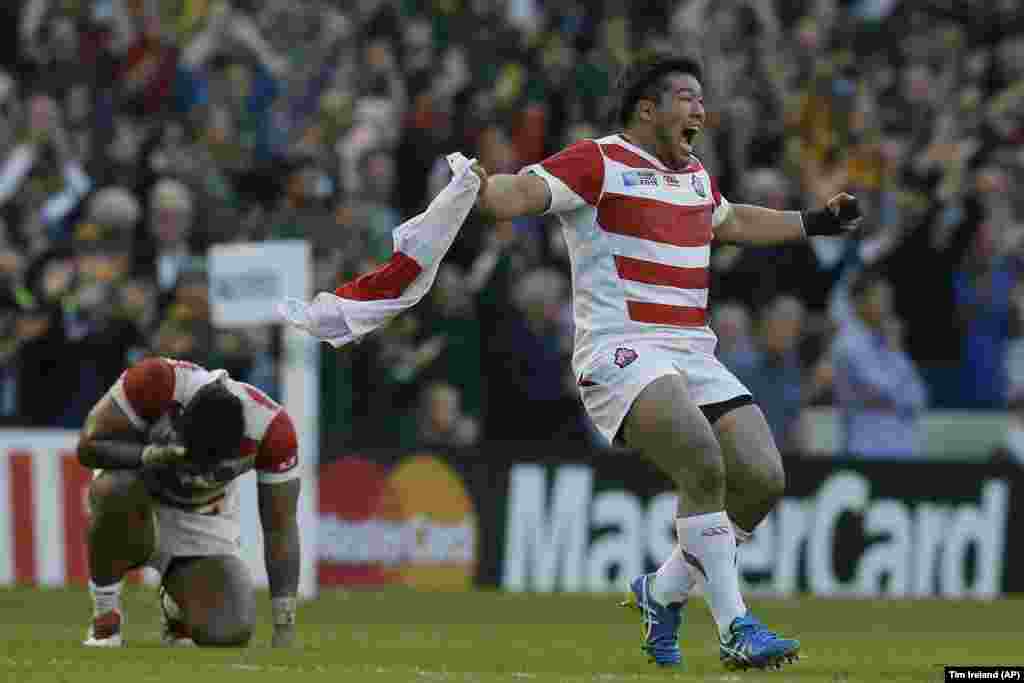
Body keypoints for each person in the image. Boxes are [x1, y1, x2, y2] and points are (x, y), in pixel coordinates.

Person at [471, 54, 862, 670]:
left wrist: (815, 222)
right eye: (687, 98)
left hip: (689, 348)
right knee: (702, 461)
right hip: (620, 347)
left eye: (702, 99)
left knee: (762, 478)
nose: (701, 110)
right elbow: (520, 192)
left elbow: (733, 222)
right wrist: (480, 186)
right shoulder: (597, 161)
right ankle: (736, 624)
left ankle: (663, 590)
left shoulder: (696, 176)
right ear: (646, 109)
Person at [76, 356, 301, 648]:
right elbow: (88, 447)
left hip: (200, 521)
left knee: (229, 632)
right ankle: (106, 617)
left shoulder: (272, 430)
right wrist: (147, 455)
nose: (200, 472)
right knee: (114, 488)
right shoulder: (155, 380)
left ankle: (176, 607)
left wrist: (284, 626)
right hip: (137, 501)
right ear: (177, 417)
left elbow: (279, 527)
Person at [832, 269, 928, 457]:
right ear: (858, 302)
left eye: (888, 297)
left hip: (902, 446)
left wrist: (895, 353)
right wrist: (895, 353)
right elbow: (882, 388)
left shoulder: (890, 343)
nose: (887, 305)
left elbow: (918, 397)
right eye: (879, 297)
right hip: (865, 448)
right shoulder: (846, 345)